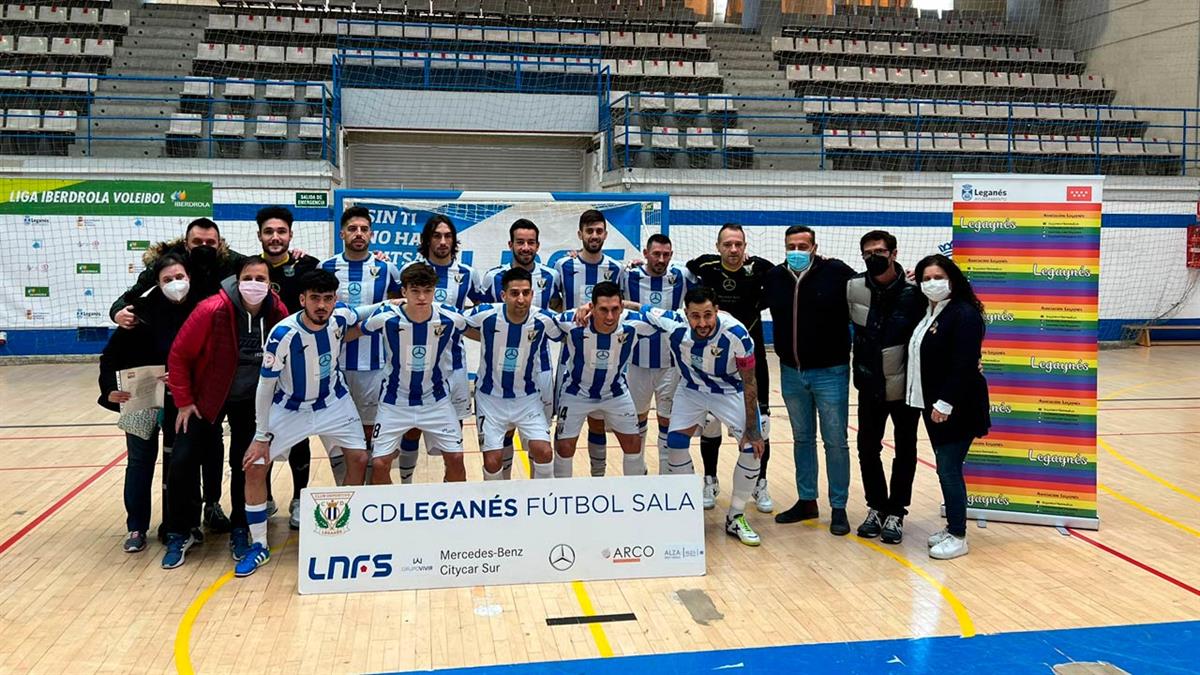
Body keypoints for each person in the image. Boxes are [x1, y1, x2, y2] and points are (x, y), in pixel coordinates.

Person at [237, 269, 375, 577]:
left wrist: (397, 302)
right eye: (315, 299)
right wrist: (261, 435)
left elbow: (366, 312)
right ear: (302, 300)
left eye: (328, 299)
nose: (322, 306)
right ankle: (258, 544)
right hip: (290, 409)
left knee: (360, 457)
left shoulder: (339, 319)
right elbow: (265, 387)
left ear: (335, 300)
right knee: (256, 466)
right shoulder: (282, 334)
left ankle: (346, 526)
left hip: (335, 403)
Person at [110, 217, 237, 538]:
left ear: (219, 244)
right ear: (186, 243)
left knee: (199, 448)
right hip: (143, 384)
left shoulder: (228, 266)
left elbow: (258, 270)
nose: (204, 248)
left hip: (194, 383)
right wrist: (117, 312)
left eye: (211, 243)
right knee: (144, 456)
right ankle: (139, 527)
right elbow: (124, 306)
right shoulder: (152, 291)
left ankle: (203, 509)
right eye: (198, 243)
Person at [163, 256, 289, 568]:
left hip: (251, 401)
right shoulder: (211, 309)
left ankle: (240, 527)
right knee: (182, 461)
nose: (255, 284)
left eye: (261, 279)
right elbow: (178, 355)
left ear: (270, 284)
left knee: (247, 463)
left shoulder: (277, 311)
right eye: (249, 277)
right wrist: (183, 400)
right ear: (237, 279)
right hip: (207, 398)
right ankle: (182, 530)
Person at [624, 286, 766, 546]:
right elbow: (639, 307)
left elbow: (750, 382)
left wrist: (752, 427)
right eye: (696, 316)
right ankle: (687, 510)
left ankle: (735, 515)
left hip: (730, 391)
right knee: (675, 444)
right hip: (691, 390)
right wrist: (610, 304)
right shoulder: (673, 322)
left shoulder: (737, 334)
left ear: (717, 311)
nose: (702, 323)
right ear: (685, 314)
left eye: (708, 315)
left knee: (753, 448)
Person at [97, 254, 196, 553]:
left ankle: (179, 525)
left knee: (180, 463)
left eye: (179, 277)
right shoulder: (138, 312)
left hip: (181, 401)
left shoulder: (200, 310)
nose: (174, 284)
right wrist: (108, 390)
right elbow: (109, 358)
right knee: (140, 462)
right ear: (157, 283)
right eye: (167, 280)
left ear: (189, 278)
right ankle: (137, 527)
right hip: (140, 400)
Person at [764, 225, 857, 536]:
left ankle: (839, 507)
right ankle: (807, 501)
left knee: (835, 441)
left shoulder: (837, 272)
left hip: (831, 372)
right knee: (802, 439)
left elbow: (870, 288)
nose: (797, 251)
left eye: (803, 246)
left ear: (815, 247)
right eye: (792, 245)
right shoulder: (775, 277)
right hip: (791, 372)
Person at [907, 254, 990, 561]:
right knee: (946, 469)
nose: (932, 283)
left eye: (938, 277)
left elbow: (964, 364)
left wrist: (945, 403)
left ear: (952, 278)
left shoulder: (964, 313)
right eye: (926, 278)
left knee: (949, 470)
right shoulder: (930, 311)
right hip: (932, 403)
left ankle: (958, 535)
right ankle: (953, 527)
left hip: (957, 406)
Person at [686, 224, 774, 513]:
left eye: (738, 244)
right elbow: (686, 265)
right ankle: (710, 480)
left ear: (745, 247)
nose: (733, 250)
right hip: (716, 360)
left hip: (752, 357)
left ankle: (760, 483)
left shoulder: (760, 270)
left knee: (761, 425)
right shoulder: (707, 268)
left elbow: (782, 274)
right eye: (727, 244)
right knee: (710, 423)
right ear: (718, 246)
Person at [847, 230, 926, 544]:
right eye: (867, 253)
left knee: (905, 450)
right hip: (869, 384)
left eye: (879, 252)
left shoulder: (916, 291)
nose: (873, 257)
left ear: (893, 253)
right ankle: (876, 507)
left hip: (905, 386)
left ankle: (897, 512)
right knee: (867, 448)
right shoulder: (853, 287)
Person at [362, 263, 468, 484]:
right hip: (394, 401)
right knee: (380, 463)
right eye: (415, 291)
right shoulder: (385, 317)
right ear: (404, 292)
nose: (421, 297)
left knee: (457, 458)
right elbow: (354, 331)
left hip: (436, 400)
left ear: (434, 291)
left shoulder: (451, 317)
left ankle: (452, 514)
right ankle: (391, 514)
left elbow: (482, 328)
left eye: (427, 291)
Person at [475, 219, 562, 477]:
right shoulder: (493, 277)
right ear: (510, 244)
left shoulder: (551, 275)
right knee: (502, 438)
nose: (526, 247)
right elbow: (481, 322)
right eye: (520, 242)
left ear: (538, 245)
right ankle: (506, 491)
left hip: (540, 371)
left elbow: (558, 309)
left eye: (531, 242)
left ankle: (536, 498)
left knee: (540, 443)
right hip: (498, 377)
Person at [319, 207, 402, 480]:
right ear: (342, 233)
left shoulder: (386, 268)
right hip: (334, 365)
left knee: (369, 432)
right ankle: (344, 492)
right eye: (353, 229)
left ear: (372, 234)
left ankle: (366, 492)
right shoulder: (327, 267)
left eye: (364, 229)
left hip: (375, 364)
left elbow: (400, 306)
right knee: (338, 432)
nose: (358, 234)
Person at [255, 205, 320, 529]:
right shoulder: (249, 270)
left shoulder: (307, 266)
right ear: (260, 236)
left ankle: (299, 498)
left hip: (298, 366)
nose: (275, 237)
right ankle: (263, 498)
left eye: (281, 232)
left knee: (299, 434)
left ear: (291, 235)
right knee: (260, 431)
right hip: (260, 365)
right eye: (269, 232)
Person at [551, 281, 656, 478]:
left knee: (633, 443)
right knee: (564, 447)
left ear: (622, 307)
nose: (609, 316)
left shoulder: (635, 323)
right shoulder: (572, 321)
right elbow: (539, 321)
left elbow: (671, 318)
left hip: (615, 392)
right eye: (603, 310)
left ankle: (635, 496)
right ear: (591, 307)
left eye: (615, 309)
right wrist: (578, 308)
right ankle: (561, 497)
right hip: (576, 392)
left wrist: (633, 305)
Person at [554, 210, 626, 477]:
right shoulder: (563, 267)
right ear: (580, 234)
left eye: (599, 231)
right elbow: (553, 305)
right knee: (564, 426)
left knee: (598, 421)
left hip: (608, 358)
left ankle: (598, 479)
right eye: (589, 231)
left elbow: (623, 306)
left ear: (605, 234)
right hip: (571, 358)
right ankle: (560, 485)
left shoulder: (617, 269)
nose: (594, 236)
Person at [398, 215, 477, 462]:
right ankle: (407, 488)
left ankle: (450, 490)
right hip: (415, 366)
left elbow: (485, 312)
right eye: (436, 236)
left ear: (454, 240)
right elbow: (393, 308)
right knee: (411, 430)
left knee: (455, 431)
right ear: (427, 240)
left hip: (454, 365)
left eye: (448, 236)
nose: (443, 241)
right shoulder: (409, 271)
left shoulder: (467, 273)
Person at [623, 234, 694, 474]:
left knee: (667, 421)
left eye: (666, 254)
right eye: (656, 254)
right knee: (637, 420)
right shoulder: (628, 275)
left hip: (670, 363)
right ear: (645, 253)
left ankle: (665, 475)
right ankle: (639, 472)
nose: (661, 259)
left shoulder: (682, 276)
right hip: (636, 362)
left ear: (671, 256)